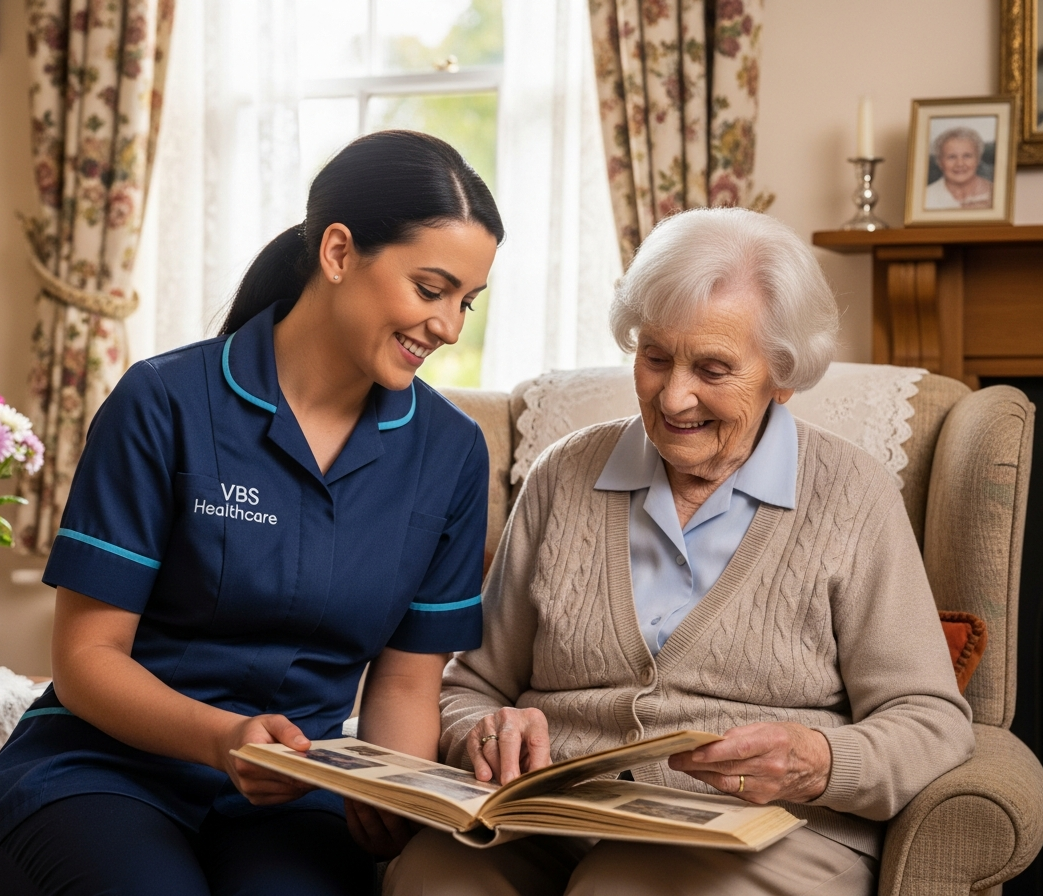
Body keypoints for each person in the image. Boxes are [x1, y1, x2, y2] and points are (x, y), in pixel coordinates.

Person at [0, 130, 503, 895]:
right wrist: (225, 740)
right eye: (431, 289)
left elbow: (405, 686)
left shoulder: (450, 452)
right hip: (106, 769)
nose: (451, 327)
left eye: (467, 302)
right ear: (338, 252)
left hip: (300, 793)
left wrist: (395, 796)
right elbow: (87, 660)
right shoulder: (162, 403)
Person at [385, 208, 975, 896]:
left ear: (782, 375)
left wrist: (820, 759)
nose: (673, 395)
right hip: (554, 822)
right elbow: (471, 685)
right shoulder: (562, 474)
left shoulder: (851, 495)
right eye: (655, 357)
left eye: (714, 368)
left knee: (623, 887)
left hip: (768, 830)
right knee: (433, 875)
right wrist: (484, 732)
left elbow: (932, 721)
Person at [924, 125, 993, 210]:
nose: (960, 164)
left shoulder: (996, 194)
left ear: (978, 159)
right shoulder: (925, 197)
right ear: (940, 162)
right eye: (951, 157)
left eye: (967, 156)